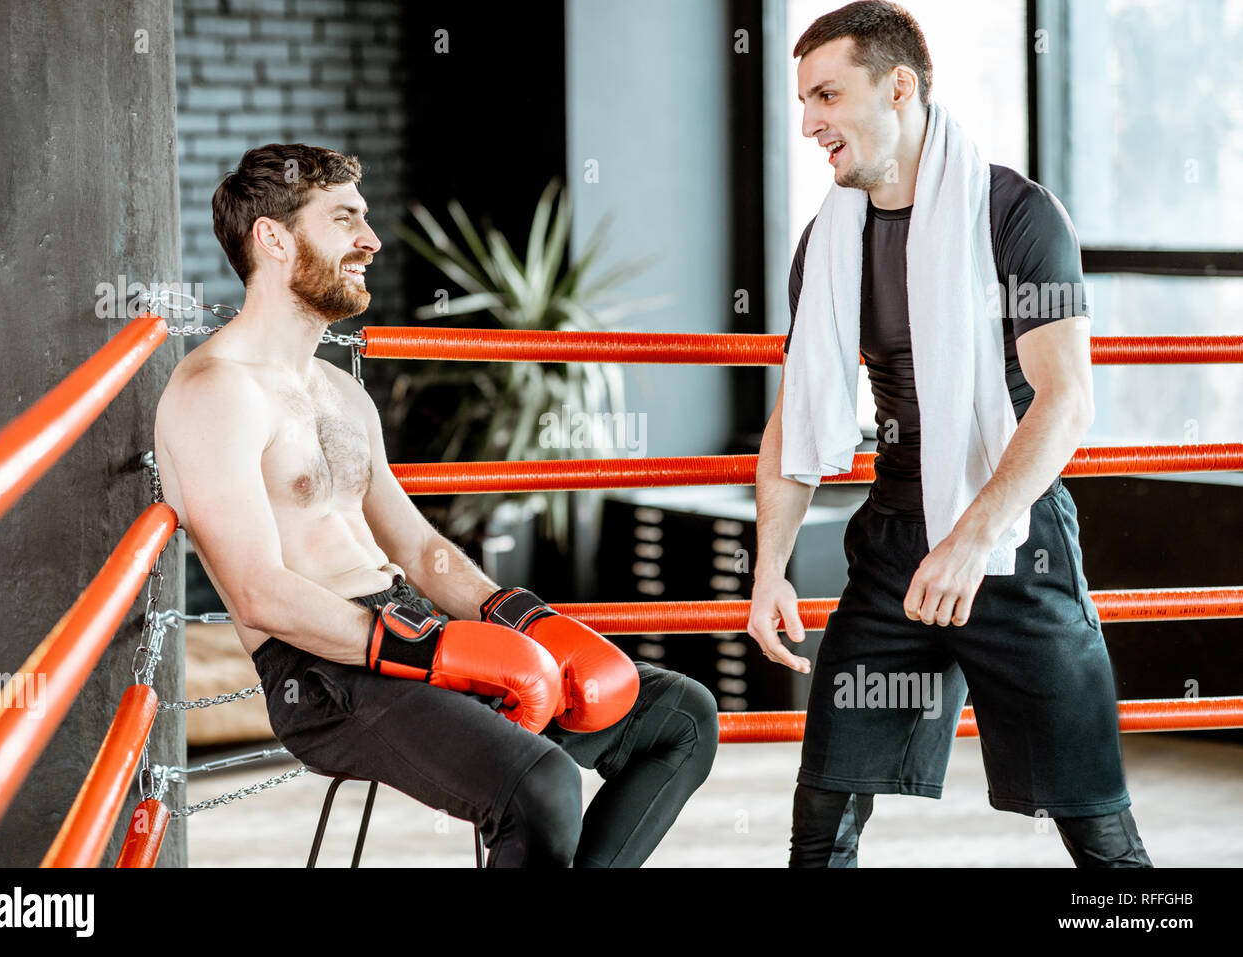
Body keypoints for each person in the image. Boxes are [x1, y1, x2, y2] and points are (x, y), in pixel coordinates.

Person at [153, 143, 718, 867]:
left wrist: (515, 615)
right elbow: (258, 592)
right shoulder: (214, 392)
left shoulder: (340, 393)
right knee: (539, 784)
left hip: (403, 624)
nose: (371, 239)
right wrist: (430, 650)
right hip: (323, 672)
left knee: (681, 717)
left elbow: (420, 550)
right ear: (274, 238)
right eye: (344, 219)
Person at [746, 2, 1152, 867]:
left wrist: (970, 542)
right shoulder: (828, 240)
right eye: (803, 100)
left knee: (1097, 830)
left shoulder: (1018, 214)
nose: (810, 121)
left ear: (899, 86)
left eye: (826, 94)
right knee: (821, 824)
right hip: (894, 545)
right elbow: (797, 410)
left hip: (1014, 545)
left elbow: (1066, 399)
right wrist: (768, 566)